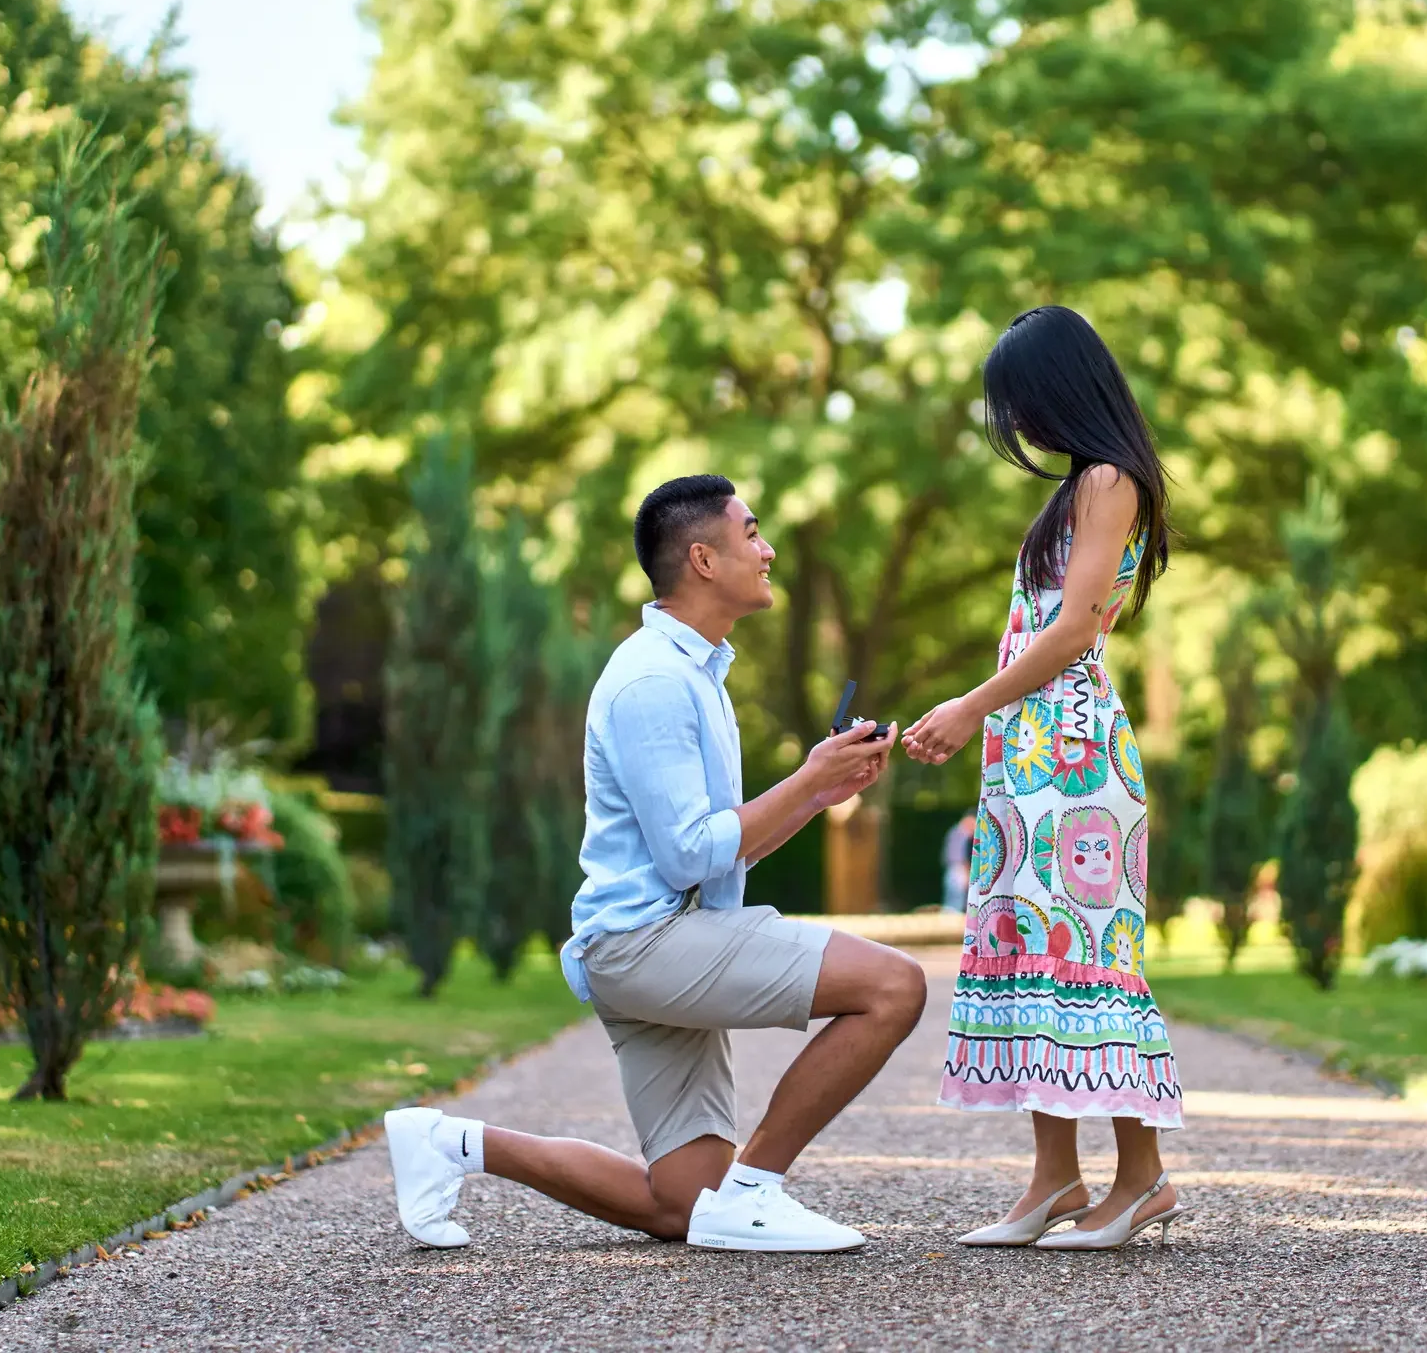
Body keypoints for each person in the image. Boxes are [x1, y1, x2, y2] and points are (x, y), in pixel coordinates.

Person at [383, 474, 925, 1253]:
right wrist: (807, 779)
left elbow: (717, 854)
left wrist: (815, 794)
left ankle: (449, 1143)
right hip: (647, 944)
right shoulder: (651, 681)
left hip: (652, 940)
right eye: (753, 533)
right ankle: (755, 1187)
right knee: (893, 985)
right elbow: (686, 856)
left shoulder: (696, 672)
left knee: (679, 1206)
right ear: (704, 559)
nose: (768, 551)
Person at [903, 305, 1188, 1251]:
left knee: (1086, 958)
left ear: (1061, 389)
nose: (1018, 428)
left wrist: (969, 705)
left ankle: (1142, 1179)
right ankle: (1056, 1178)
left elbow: (1070, 633)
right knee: (1034, 953)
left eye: (1021, 405)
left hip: (1072, 757)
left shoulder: (1110, 480)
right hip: (1031, 760)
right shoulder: (1082, 485)